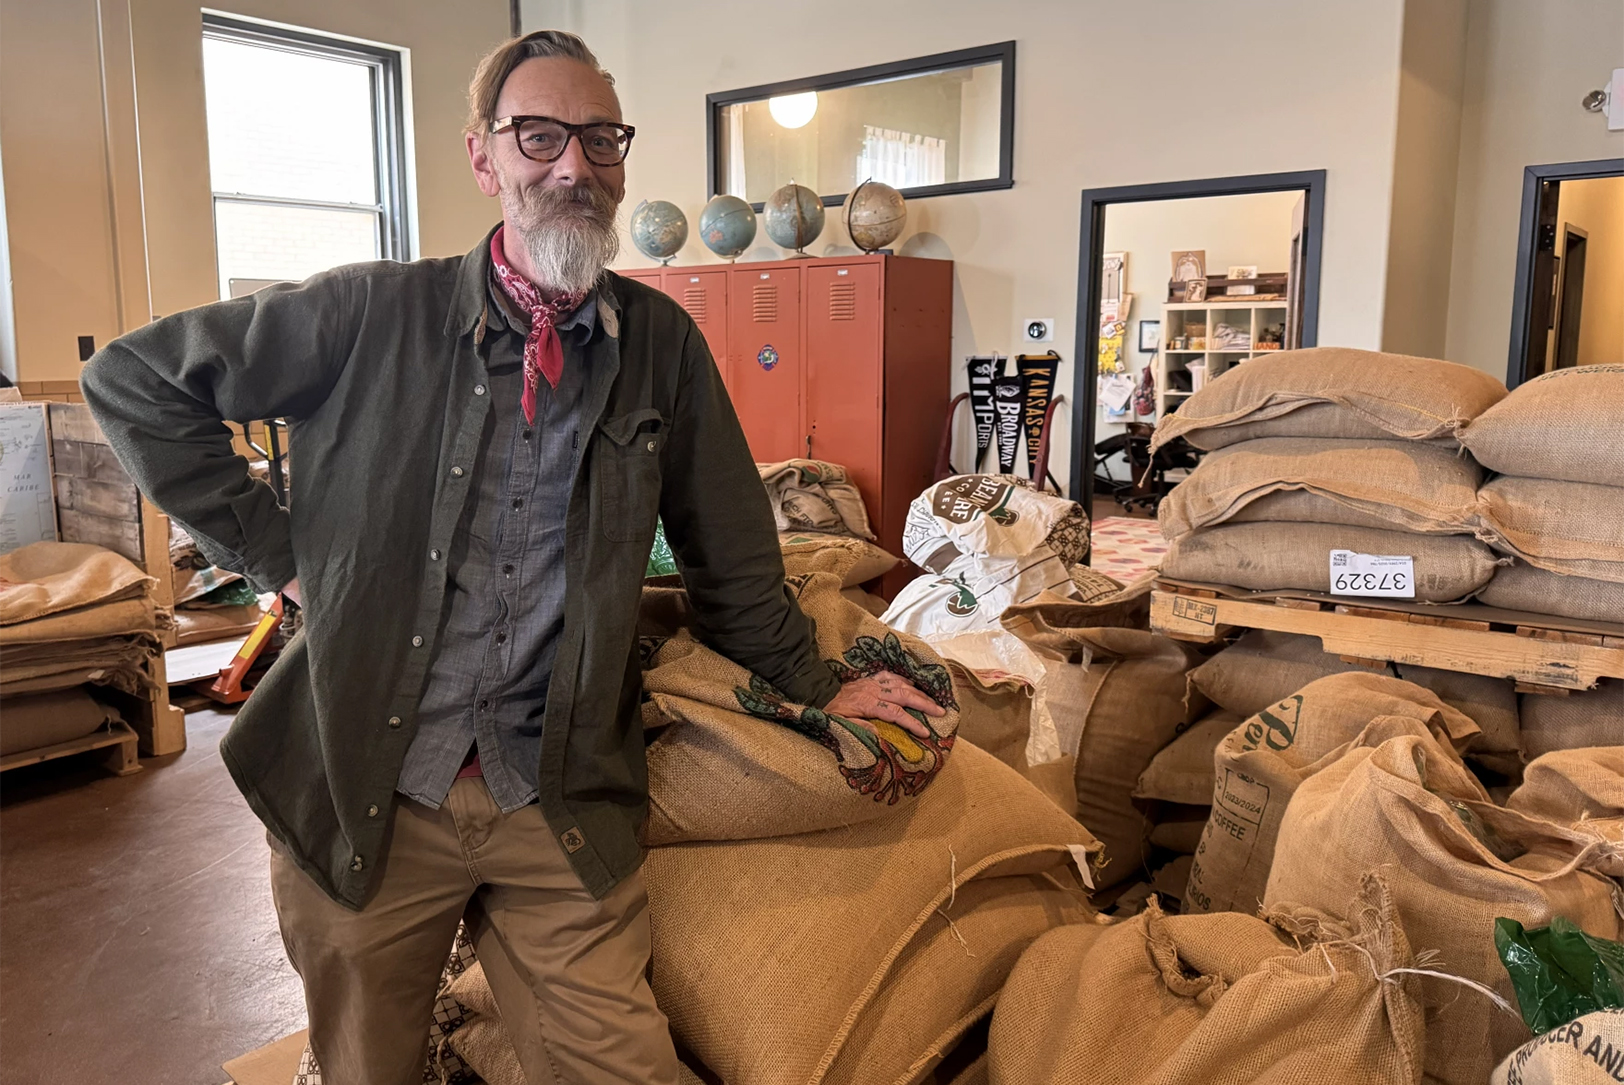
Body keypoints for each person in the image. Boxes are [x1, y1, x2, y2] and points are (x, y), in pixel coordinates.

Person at [81, 29, 943, 1085]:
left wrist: (821, 686)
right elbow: (133, 381)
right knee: (366, 1068)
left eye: (599, 139)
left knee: (621, 1066)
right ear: (484, 158)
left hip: (556, 794)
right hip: (365, 787)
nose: (573, 166)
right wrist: (278, 555)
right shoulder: (367, 313)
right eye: (539, 136)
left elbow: (733, 558)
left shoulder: (660, 346)